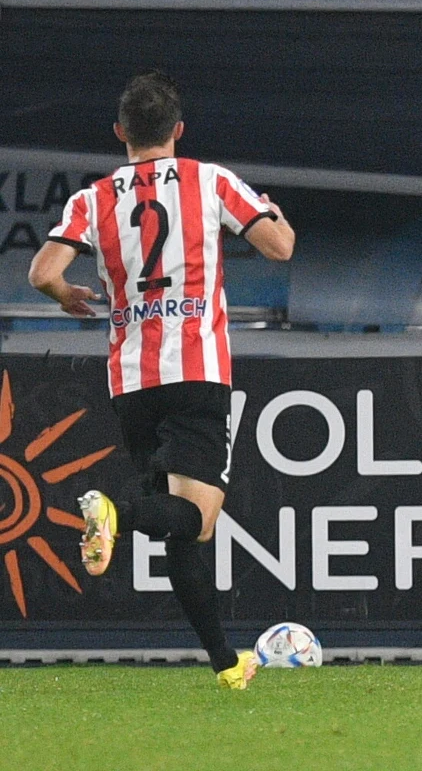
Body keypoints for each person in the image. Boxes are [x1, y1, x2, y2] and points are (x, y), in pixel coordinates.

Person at [28, 71, 295, 689]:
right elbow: (279, 247)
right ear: (178, 130)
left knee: (178, 524)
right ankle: (110, 510)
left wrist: (65, 292)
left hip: (131, 380)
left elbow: (43, 270)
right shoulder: (212, 181)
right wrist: (273, 214)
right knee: (196, 521)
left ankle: (228, 666)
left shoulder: (92, 199)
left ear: (120, 132)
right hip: (197, 369)